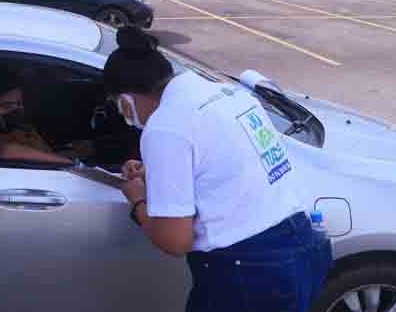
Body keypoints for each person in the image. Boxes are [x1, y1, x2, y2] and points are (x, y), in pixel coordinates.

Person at [104, 26, 332, 312]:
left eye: (118, 107)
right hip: (302, 248)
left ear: (126, 101)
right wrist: (156, 173)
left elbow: (175, 241)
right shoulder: (223, 93)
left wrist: (137, 197)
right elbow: (225, 164)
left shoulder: (164, 126)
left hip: (248, 272)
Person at [0, 73, 92, 165]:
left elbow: (46, 154)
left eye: (19, 103)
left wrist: (75, 151)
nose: (16, 110)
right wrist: (71, 164)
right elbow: (7, 151)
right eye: (6, 106)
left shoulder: (21, 128)